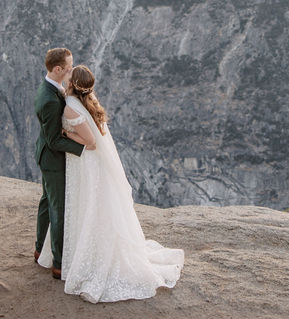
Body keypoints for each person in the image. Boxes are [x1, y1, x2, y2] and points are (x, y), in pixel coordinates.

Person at [38, 65, 184, 302]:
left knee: (86, 207)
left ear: (73, 84)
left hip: (86, 164)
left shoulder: (72, 109)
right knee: (90, 208)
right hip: (89, 164)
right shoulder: (86, 102)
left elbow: (91, 142)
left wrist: (66, 135)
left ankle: (88, 257)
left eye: (69, 77)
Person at [33, 48, 88, 280]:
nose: (71, 69)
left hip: (45, 156)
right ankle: (58, 263)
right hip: (53, 160)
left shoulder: (50, 88)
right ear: (57, 69)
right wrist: (82, 149)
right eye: (68, 67)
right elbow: (55, 140)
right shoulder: (50, 100)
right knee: (58, 208)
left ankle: (39, 249)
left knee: (47, 202)